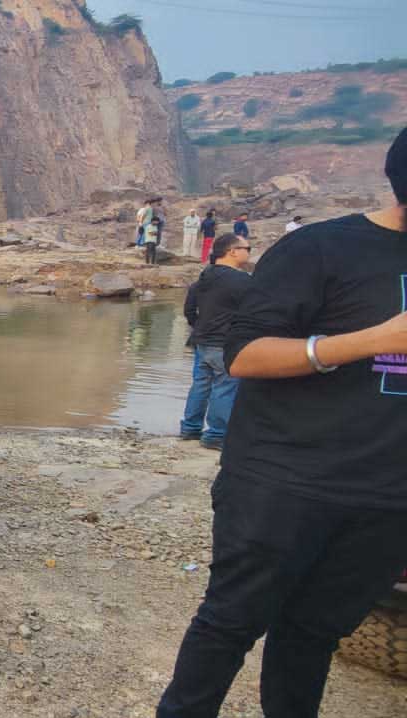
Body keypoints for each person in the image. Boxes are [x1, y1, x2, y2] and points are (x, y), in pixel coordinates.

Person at [156, 127, 407, 718]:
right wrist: (375, 340)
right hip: (284, 482)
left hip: (389, 499)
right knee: (229, 625)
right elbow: (244, 356)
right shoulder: (322, 249)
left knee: (314, 634)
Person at [178, 236, 253, 450]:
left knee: (201, 384)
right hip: (225, 343)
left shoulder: (203, 278)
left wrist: (199, 327)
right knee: (225, 386)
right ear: (232, 251)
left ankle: (190, 428)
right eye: (247, 248)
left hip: (202, 341)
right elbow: (254, 312)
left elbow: (189, 311)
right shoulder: (242, 282)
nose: (249, 252)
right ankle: (217, 434)